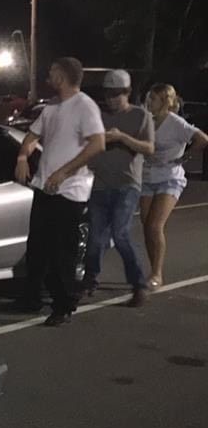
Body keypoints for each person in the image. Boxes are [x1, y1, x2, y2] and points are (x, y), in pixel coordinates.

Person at [1, 57, 105, 326]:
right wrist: (23, 156)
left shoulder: (85, 106)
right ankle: (30, 298)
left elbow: (98, 144)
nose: (48, 76)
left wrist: (64, 172)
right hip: (44, 187)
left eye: (51, 72)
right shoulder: (52, 107)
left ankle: (63, 305)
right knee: (36, 247)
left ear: (62, 75)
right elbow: (32, 136)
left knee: (62, 253)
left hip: (68, 191)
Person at [77, 69, 153, 304]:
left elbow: (149, 148)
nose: (111, 99)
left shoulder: (141, 116)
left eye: (117, 94)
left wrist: (122, 138)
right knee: (95, 238)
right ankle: (90, 279)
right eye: (108, 94)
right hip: (99, 184)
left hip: (127, 184)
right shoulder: (99, 115)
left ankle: (138, 284)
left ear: (128, 92)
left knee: (120, 234)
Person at [141, 83, 207, 287]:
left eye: (153, 99)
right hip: (147, 177)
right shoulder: (147, 121)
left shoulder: (176, 123)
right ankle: (152, 268)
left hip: (169, 178)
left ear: (164, 102)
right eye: (148, 98)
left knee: (155, 225)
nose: (148, 102)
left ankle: (157, 274)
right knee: (146, 227)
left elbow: (202, 139)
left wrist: (184, 157)